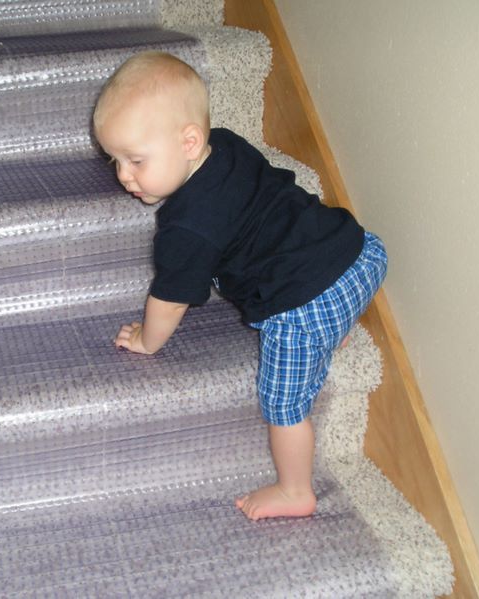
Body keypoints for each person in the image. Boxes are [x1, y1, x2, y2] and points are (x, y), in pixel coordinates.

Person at [92, 51, 387, 521]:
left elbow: (169, 301)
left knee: (283, 401)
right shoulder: (225, 144)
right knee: (311, 283)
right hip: (359, 254)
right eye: (115, 160)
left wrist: (147, 341)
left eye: (135, 160)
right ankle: (335, 328)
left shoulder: (186, 228)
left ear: (189, 142)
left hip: (308, 300)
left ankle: (295, 490)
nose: (123, 176)